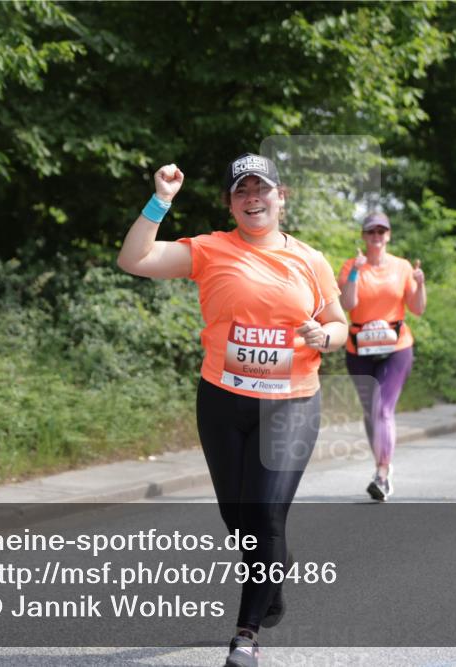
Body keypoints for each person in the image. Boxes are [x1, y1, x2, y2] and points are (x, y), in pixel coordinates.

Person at [117, 154, 347, 667]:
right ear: (230, 204)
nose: (252, 198)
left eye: (261, 189)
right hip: (222, 400)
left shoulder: (310, 260)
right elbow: (134, 260)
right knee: (238, 519)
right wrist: (161, 200)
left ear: (280, 197)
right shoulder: (211, 249)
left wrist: (324, 336)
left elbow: (339, 325)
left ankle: (245, 635)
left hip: (291, 404)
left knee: (265, 514)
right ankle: (274, 572)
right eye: (241, 191)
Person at [338, 212, 426, 501]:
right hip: (359, 349)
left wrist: (420, 283)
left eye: (381, 232)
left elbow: (417, 308)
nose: (376, 237)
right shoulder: (352, 266)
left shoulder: (402, 267)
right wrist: (355, 272)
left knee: (383, 410)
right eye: (371, 232)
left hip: (396, 347)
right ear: (364, 236)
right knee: (370, 412)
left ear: (388, 236)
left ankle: (383, 473)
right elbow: (347, 304)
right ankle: (381, 466)